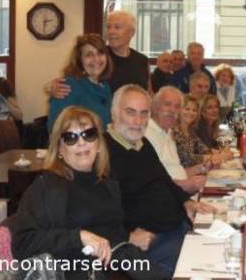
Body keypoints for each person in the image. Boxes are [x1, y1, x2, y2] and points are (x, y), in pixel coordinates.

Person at [9, 106, 164, 279]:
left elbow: (109, 228)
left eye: (88, 134)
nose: (81, 142)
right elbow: (22, 244)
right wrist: (79, 237)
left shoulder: (106, 181)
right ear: (59, 148)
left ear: (98, 143)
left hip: (121, 266)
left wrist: (127, 237)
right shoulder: (48, 186)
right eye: (70, 138)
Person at [105, 84, 214, 277]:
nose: (138, 121)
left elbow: (164, 180)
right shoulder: (103, 153)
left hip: (179, 226)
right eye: (130, 112)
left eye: (143, 113)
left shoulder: (142, 143)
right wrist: (126, 237)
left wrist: (186, 201)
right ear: (114, 113)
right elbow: (94, 211)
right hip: (152, 244)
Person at [50, 10, 150, 97]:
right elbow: (73, 78)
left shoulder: (142, 60)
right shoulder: (98, 58)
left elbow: (148, 92)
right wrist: (53, 87)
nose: (111, 31)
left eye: (117, 27)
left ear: (132, 32)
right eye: (108, 27)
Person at [145, 86, 206, 194]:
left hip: (181, 194)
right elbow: (150, 183)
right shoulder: (145, 134)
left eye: (177, 106)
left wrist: (203, 168)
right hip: (169, 197)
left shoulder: (168, 132)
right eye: (167, 104)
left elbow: (177, 171)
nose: (172, 110)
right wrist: (186, 184)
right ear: (155, 106)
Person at [48, 34, 113, 130]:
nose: (96, 59)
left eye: (100, 53)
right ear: (79, 60)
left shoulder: (105, 86)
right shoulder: (67, 86)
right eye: (89, 55)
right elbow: (56, 128)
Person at [171, 95, 225, 168]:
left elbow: (203, 149)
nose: (191, 112)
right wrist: (211, 157)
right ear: (179, 110)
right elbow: (184, 158)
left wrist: (216, 153)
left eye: (194, 110)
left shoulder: (190, 131)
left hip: (193, 173)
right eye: (187, 109)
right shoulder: (174, 131)